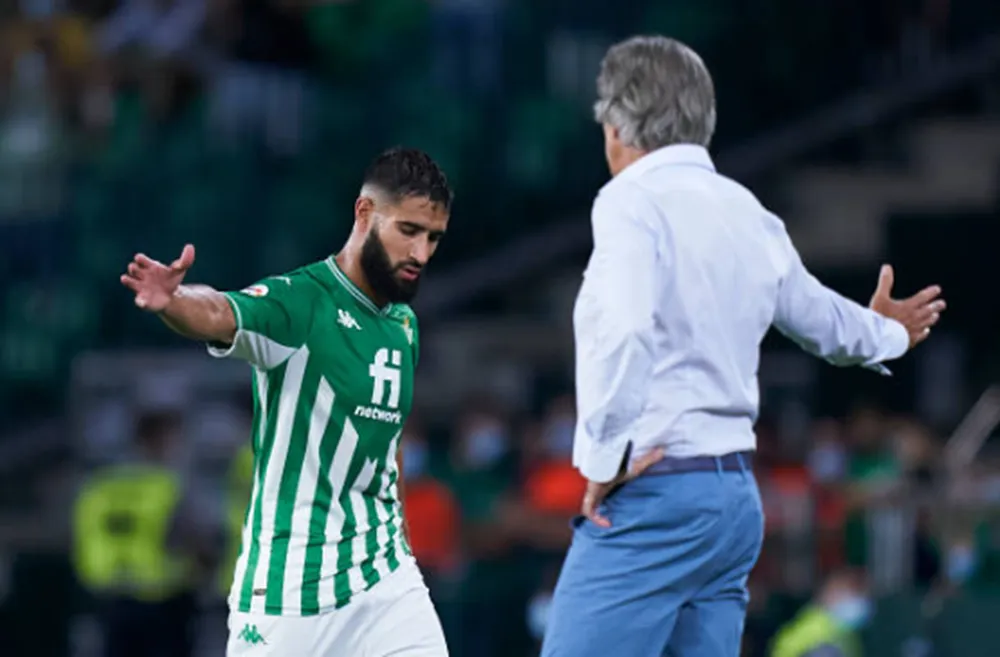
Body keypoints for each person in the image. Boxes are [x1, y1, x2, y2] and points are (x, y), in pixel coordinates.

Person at [541, 35, 946, 657]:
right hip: (731, 502)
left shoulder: (629, 201)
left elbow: (623, 329)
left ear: (618, 123)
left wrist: (601, 459)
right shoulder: (745, 209)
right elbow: (817, 317)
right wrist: (887, 332)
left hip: (657, 495)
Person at [119, 147, 453, 656]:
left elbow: (386, 446)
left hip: (385, 578)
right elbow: (224, 310)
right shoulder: (302, 302)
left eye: (433, 238)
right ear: (365, 213)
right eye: (408, 231)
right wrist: (176, 301)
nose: (421, 254)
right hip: (291, 590)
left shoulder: (404, 325)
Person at [73, 409, 212, 657]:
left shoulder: (99, 486)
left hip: (111, 597)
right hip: (164, 599)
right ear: (157, 440)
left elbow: (82, 536)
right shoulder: (170, 486)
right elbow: (195, 540)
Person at [769, 569, 871, 657]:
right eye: (854, 595)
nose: (861, 602)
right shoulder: (813, 628)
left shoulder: (844, 631)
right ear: (833, 595)